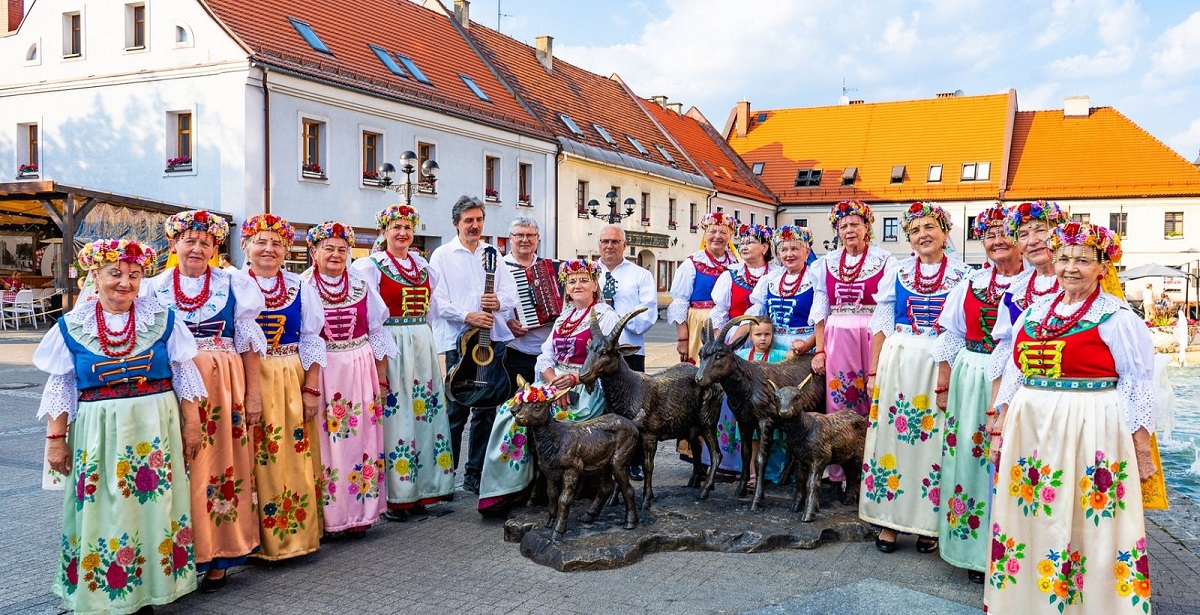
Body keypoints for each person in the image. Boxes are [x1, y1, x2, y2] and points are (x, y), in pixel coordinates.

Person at [986, 222, 1157, 614]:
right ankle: (1027, 601)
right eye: (1064, 258)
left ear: (1103, 267)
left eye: (1083, 260)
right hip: (1030, 431)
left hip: (1091, 427)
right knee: (1034, 514)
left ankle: (1094, 605)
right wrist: (999, 427)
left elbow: (1139, 385)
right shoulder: (1033, 310)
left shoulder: (1116, 316)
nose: (1071, 268)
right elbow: (1013, 374)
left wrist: (1142, 450)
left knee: (1090, 518)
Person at [36, 239, 207, 614]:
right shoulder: (71, 326)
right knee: (103, 507)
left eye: (134, 275)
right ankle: (106, 593)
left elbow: (185, 376)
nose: (125, 283)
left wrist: (192, 426)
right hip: (98, 433)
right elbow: (61, 386)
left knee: (155, 505)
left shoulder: (163, 320)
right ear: (94, 276)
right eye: (115, 274)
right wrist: (55, 440)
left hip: (155, 430)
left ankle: (151, 588)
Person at [143, 210, 264, 591]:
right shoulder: (152, 287)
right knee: (178, 468)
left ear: (215, 248)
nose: (197, 248)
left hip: (222, 387)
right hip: (169, 389)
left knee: (221, 468)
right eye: (189, 241)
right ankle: (176, 555)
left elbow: (248, 345)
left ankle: (218, 556)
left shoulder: (234, 284)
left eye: (205, 243)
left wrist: (254, 393)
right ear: (173, 244)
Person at [860, 202, 970, 555]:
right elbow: (881, 324)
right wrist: (874, 372)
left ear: (945, 233)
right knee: (893, 441)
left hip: (939, 363)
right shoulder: (899, 272)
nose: (923, 235)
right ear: (908, 238)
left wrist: (945, 381)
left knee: (933, 445)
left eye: (930, 227)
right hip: (900, 362)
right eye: (915, 230)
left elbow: (959, 331)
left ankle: (928, 525)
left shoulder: (964, 275)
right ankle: (889, 521)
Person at [478, 259, 616, 512]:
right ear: (565, 288)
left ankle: (549, 483)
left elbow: (606, 359)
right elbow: (545, 357)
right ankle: (510, 487)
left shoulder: (606, 317)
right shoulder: (564, 318)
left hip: (585, 387)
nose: (577, 285)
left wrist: (574, 380)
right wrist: (553, 384)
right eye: (572, 281)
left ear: (595, 285)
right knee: (510, 411)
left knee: (563, 416)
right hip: (553, 383)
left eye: (584, 280)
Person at [931, 205, 1024, 583]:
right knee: (970, 459)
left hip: (1017, 382)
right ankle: (972, 550)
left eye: (1005, 233)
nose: (997, 240)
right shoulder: (968, 284)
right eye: (989, 235)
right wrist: (943, 383)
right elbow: (951, 333)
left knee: (1009, 460)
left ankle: (1009, 550)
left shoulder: (1040, 285)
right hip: (971, 377)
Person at [351, 204, 455, 520]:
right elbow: (369, 315)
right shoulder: (370, 266)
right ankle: (399, 494)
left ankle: (429, 489)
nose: (402, 233)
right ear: (384, 232)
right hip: (392, 343)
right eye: (396, 226)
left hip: (422, 343)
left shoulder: (424, 268)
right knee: (397, 414)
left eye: (407, 227)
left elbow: (435, 310)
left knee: (426, 413)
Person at [241, 213, 326, 562]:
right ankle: (250, 541)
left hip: (290, 376)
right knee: (252, 459)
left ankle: (294, 538)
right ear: (245, 247)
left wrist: (311, 389)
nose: (268, 248)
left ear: (286, 250)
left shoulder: (299, 287)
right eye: (260, 241)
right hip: (247, 378)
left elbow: (312, 339)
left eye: (276, 243)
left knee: (291, 457)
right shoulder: (233, 284)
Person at [306, 222, 396, 536]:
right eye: (327, 248)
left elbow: (377, 332)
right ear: (313, 252)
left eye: (341, 249)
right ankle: (329, 517)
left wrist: (382, 379)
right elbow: (306, 338)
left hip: (359, 366)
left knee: (360, 442)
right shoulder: (303, 285)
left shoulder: (360, 284)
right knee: (326, 444)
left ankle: (360, 514)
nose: (335, 254)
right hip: (323, 370)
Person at [428, 196, 518, 495]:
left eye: (479, 219)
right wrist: (467, 315)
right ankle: (444, 478)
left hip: (491, 342)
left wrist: (499, 302)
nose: (475, 225)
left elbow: (511, 295)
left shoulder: (493, 253)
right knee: (455, 411)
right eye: (469, 220)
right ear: (456, 223)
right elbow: (436, 301)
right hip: (458, 342)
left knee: (486, 411)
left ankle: (475, 474)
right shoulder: (441, 255)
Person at [668, 211, 740, 363]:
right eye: (712, 231)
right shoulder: (692, 263)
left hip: (728, 324)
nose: (717, 236)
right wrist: (683, 338)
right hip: (700, 324)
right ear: (705, 234)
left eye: (723, 232)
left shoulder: (736, 264)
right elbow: (680, 301)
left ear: (730, 237)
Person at [501, 217, 557, 389]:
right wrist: (505, 324)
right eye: (519, 235)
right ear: (510, 238)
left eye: (530, 235)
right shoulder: (499, 267)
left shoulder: (550, 267)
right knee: (515, 405)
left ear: (537, 238)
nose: (525, 240)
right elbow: (486, 304)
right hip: (515, 351)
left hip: (547, 353)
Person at [595, 225, 659, 372]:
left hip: (629, 350)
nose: (609, 246)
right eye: (605, 241)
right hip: (593, 351)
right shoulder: (587, 273)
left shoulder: (641, 275)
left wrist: (619, 320)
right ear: (599, 244)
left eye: (615, 241)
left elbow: (647, 316)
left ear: (624, 245)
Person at [748, 225, 818, 357]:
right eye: (784, 250)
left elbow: (822, 322)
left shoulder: (814, 280)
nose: (789, 254)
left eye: (795, 249)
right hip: (773, 348)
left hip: (804, 346)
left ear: (807, 252)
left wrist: (806, 345)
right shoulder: (770, 280)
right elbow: (756, 316)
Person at [711, 223, 776, 337]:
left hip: (767, 337)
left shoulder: (776, 275)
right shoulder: (730, 275)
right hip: (735, 337)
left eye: (750, 243)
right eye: (742, 243)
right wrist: (719, 342)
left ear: (764, 247)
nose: (744, 247)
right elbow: (719, 311)